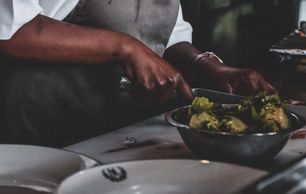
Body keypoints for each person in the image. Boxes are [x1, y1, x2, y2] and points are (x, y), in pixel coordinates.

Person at [0, 0, 275, 147]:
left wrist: (204, 62)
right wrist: (123, 47)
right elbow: (12, 31)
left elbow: (164, 30)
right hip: (44, 128)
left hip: (121, 130)